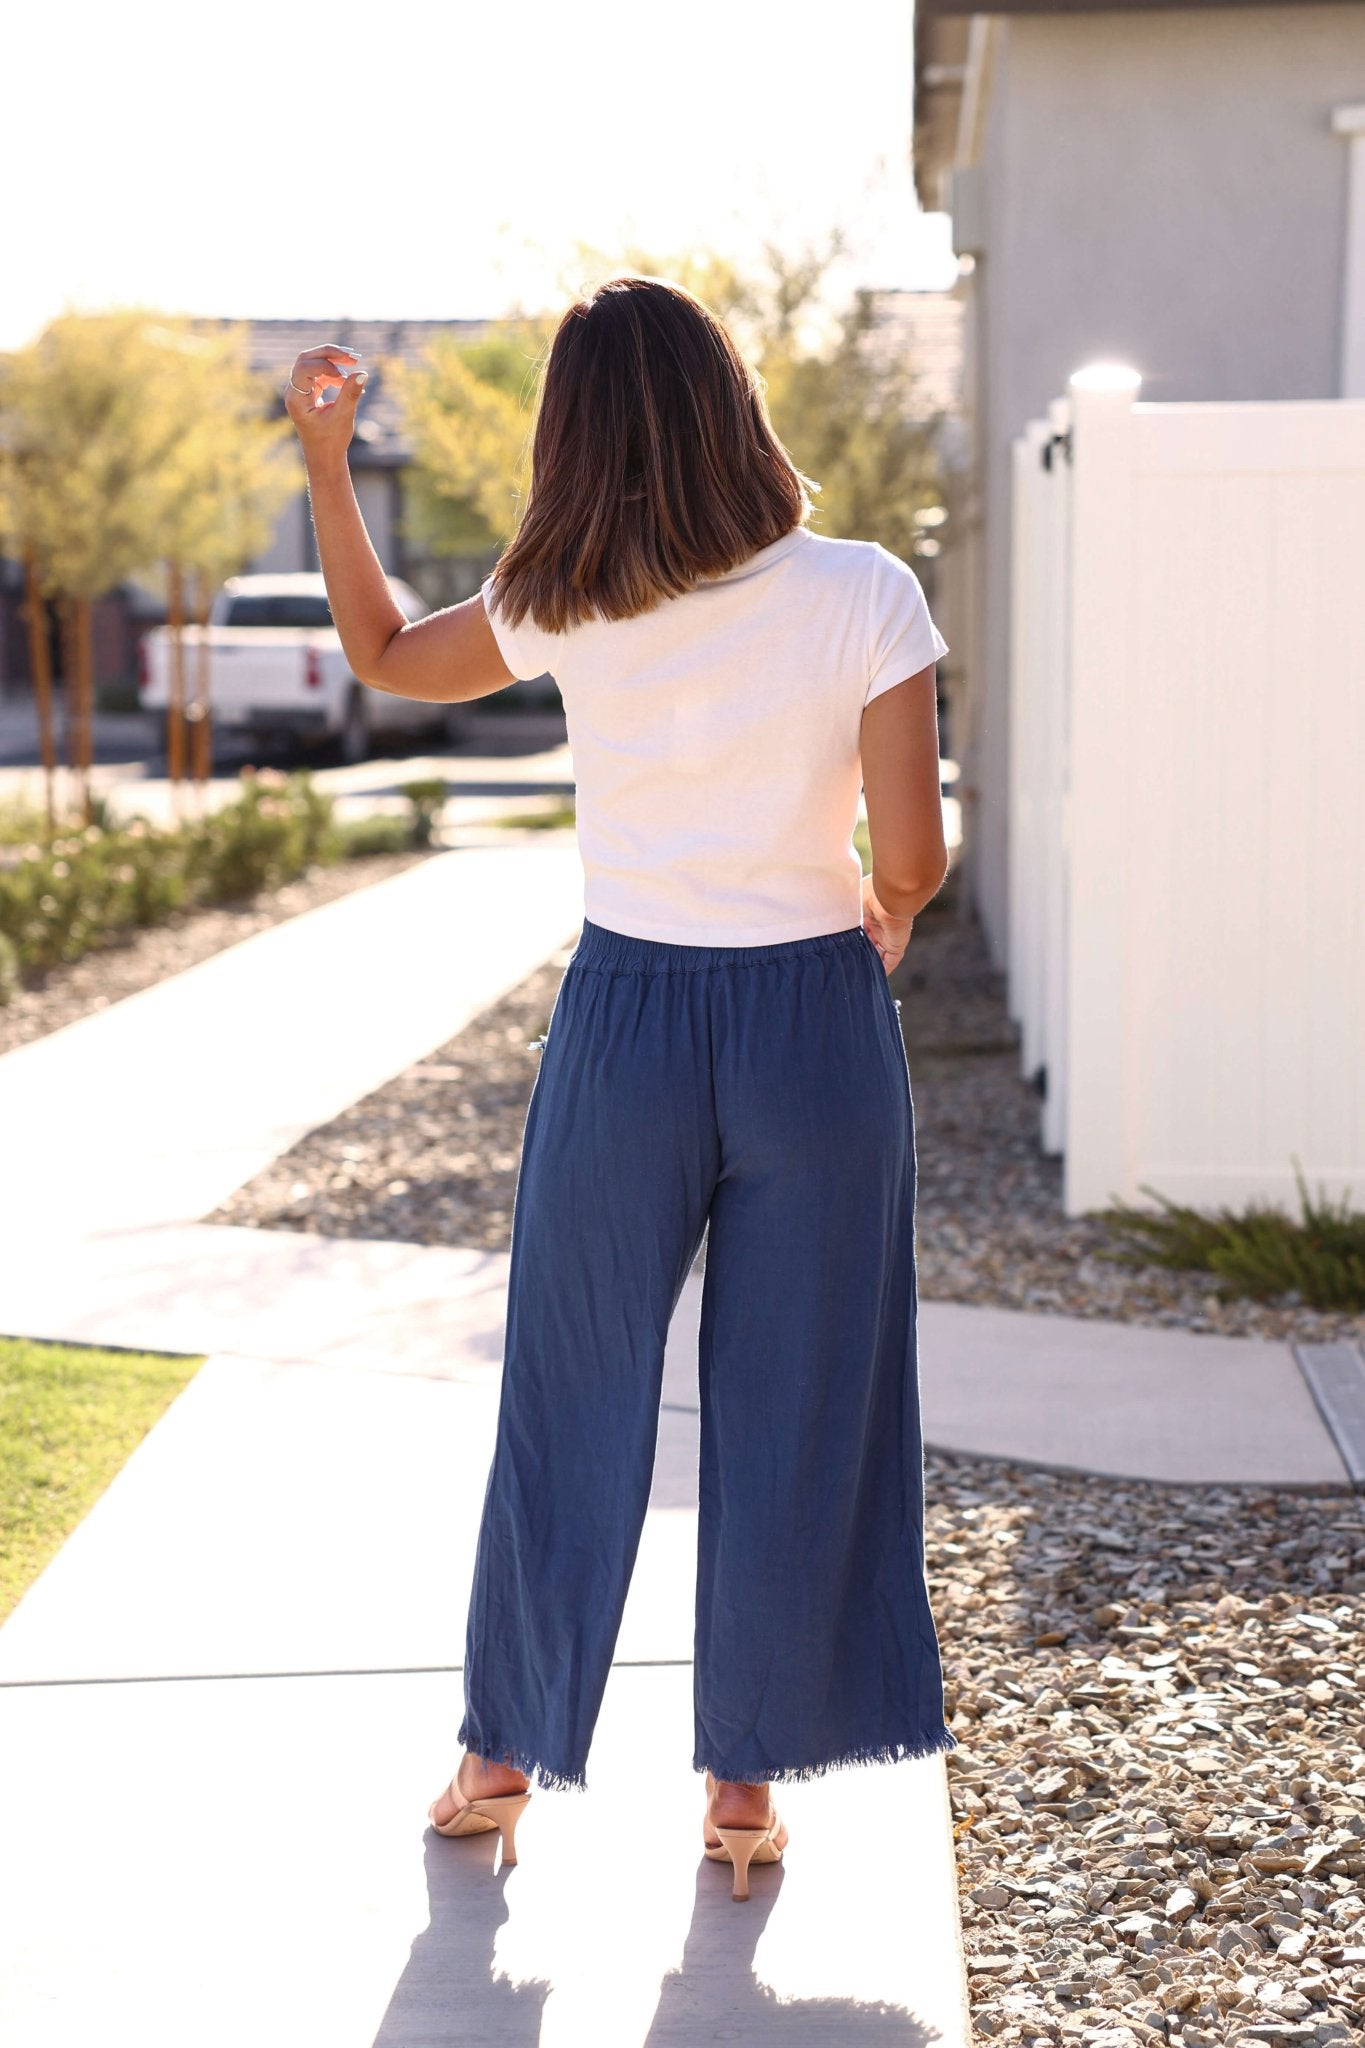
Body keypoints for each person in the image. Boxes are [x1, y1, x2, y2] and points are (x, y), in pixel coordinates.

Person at [283, 275, 957, 1902]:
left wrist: (325, 455)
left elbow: (378, 651)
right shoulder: (863, 589)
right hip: (815, 1020)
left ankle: (498, 1757)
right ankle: (741, 1790)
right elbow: (915, 850)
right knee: (800, 1406)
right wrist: (887, 912)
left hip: (625, 1025)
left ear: (572, 432)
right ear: (731, 399)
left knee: (569, 1393)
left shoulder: (561, 592)